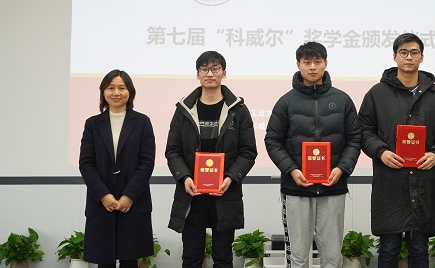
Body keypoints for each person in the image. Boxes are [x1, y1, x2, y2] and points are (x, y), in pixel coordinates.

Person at [359, 33, 435, 268]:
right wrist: (381, 152)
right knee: (388, 248)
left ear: (422, 57)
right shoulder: (377, 93)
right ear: (395, 57)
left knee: (420, 249)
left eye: (414, 52)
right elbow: (364, 131)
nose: (409, 57)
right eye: (403, 52)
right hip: (389, 182)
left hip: (423, 181)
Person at [264, 41, 362, 268]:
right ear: (298, 64)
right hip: (297, 188)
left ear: (326, 63)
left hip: (333, 186)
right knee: (298, 257)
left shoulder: (342, 100)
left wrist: (342, 168)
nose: (312, 67)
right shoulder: (286, 102)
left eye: (317, 62)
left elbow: (354, 138)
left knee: (332, 256)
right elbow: (272, 140)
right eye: (307, 62)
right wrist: (291, 170)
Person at [165, 51, 258, 268]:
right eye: (204, 69)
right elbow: (173, 151)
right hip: (192, 194)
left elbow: (248, 151)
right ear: (197, 74)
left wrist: (231, 178)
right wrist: (184, 177)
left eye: (215, 68)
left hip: (225, 193)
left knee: (223, 258)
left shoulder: (238, 110)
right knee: (191, 257)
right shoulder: (184, 110)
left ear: (224, 73)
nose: (210, 73)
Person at [79, 69, 156, 268]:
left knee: (130, 260)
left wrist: (129, 195)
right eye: (111, 88)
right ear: (103, 91)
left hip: (133, 203)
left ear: (130, 92)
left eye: (122, 88)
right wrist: (103, 195)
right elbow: (86, 163)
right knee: (104, 260)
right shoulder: (92, 124)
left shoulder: (142, 122)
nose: (116, 93)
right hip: (101, 203)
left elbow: (147, 162)